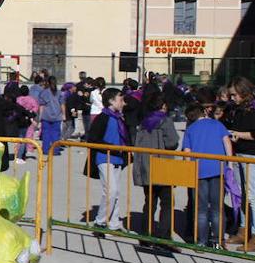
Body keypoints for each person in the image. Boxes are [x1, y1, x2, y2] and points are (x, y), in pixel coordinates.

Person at [225, 78, 255, 252]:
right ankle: (243, 230)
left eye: (234, 95)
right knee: (242, 194)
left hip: (252, 155)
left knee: (253, 195)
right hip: (240, 153)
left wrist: (238, 134)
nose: (232, 98)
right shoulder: (239, 109)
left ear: (244, 93)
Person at [131, 91, 180, 245]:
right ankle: (163, 235)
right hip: (163, 166)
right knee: (166, 202)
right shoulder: (165, 121)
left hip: (146, 167)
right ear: (163, 105)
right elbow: (172, 142)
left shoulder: (144, 123)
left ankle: (146, 233)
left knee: (149, 202)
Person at [182, 103, 233, 248]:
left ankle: (201, 241)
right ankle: (217, 240)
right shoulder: (217, 125)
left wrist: (187, 169)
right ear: (204, 112)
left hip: (198, 170)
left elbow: (187, 152)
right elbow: (227, 142)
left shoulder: (190, 129)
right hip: (218, 168)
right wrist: (229, 164)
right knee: (217, 208)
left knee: (201, 209)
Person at [84, 88, 128, 231]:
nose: (123, 103)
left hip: (118, 159)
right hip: (104, 158)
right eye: (120, 100)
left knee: (116, 192)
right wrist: (113, 148)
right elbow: (93, 139)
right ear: (111, 101)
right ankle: (100, 221)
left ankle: (114, 222)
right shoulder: (102, 117)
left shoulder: (119, 117)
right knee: (111, 190)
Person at [30, 75, 65, 156]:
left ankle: (45, 150)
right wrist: (64, 115)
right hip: (57, 116)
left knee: (46, 134)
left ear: (47, 83)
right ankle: (55, 150)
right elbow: (62, 104)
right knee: (56, 134)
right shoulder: (59, 93)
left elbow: (41, 106)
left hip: (46, 116)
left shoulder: (44, 92)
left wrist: (40, 117)